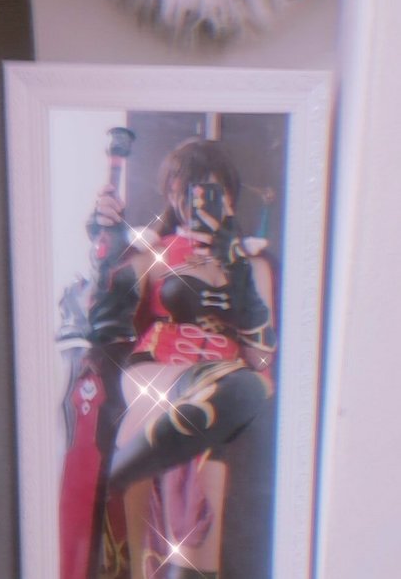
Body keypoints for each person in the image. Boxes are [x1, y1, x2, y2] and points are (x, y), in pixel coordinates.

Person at [85, 138, 277, 579]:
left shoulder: (252, 263)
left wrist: (241, 283)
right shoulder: (154, 251)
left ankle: (171, 557)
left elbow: (262, 360)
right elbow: (103, 315)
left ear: (229, 195)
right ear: (171, 195)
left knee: (206, 420)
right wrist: (104, 238)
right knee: (193, 406)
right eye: (186, 189)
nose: (196, 201)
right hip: (156, 369)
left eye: (210, 189)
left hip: (222, 381)